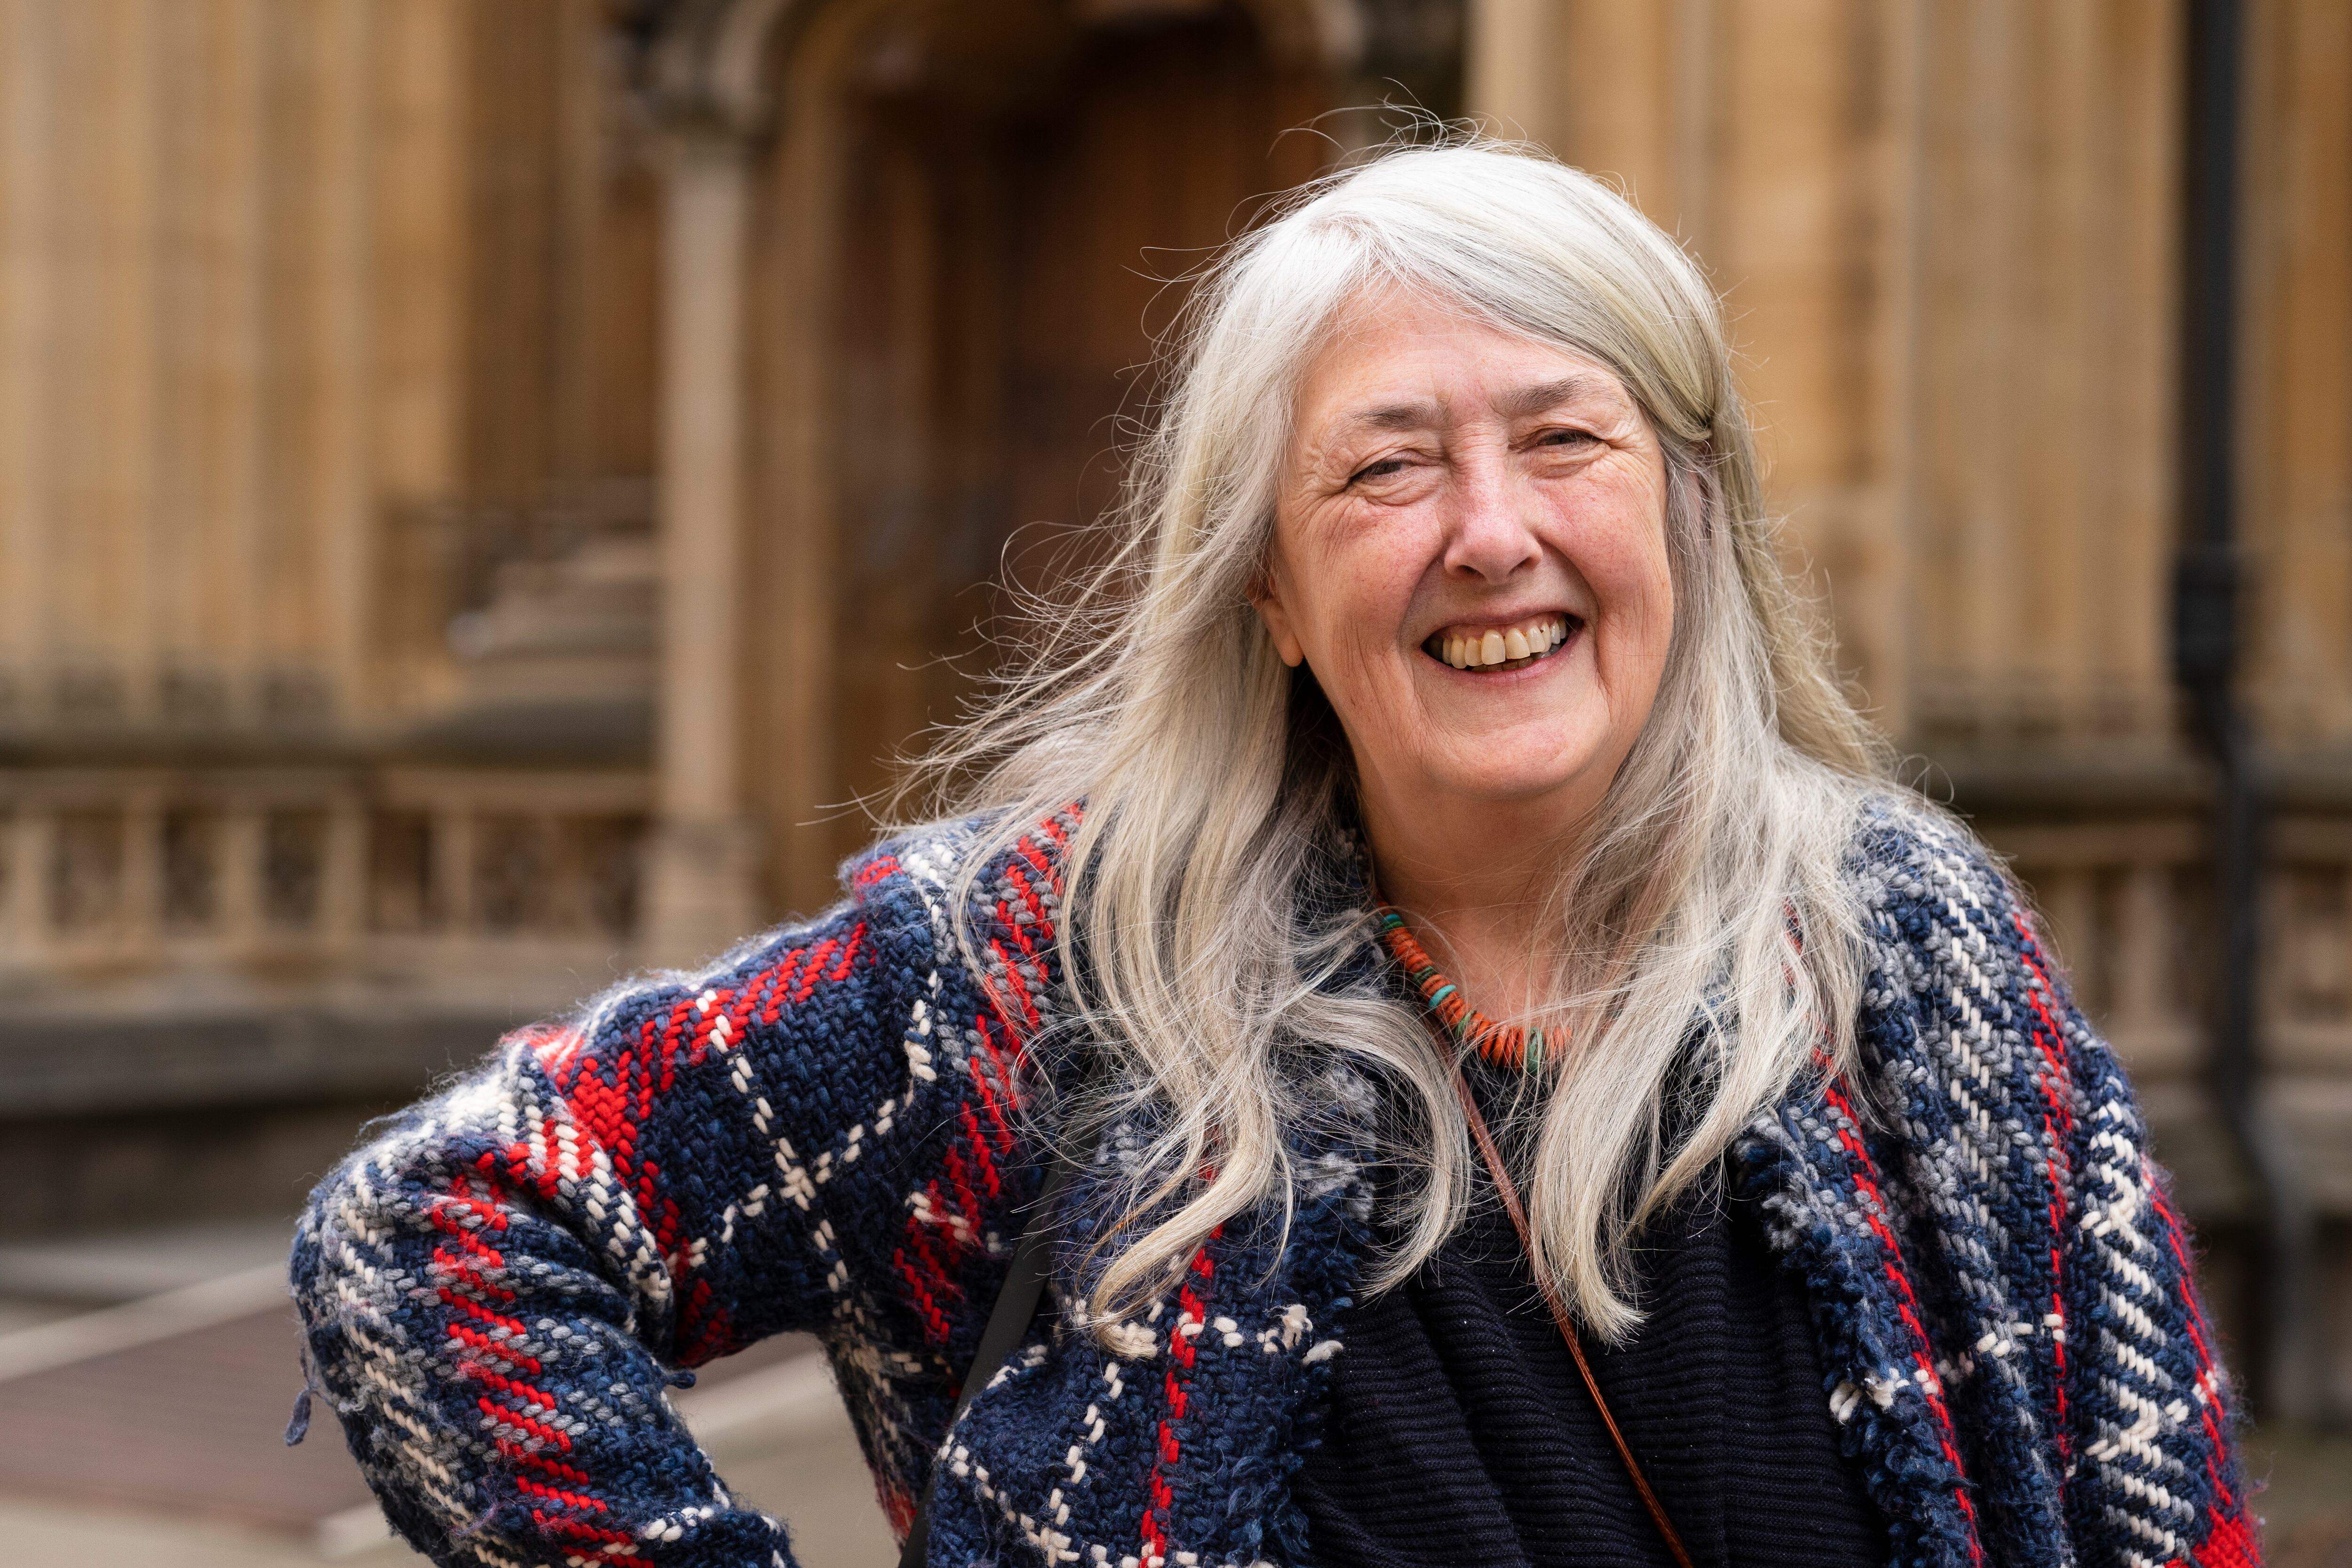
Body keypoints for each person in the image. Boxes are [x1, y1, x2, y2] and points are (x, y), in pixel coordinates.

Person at [289, 141, 2257, 1568]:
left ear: (1687, 516)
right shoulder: (1038, 971)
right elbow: (440, 1224)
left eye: (1560, 439)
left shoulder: (1911, 954)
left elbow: (2161, 1508)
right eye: (1385, 465)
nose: (1487, 531)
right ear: (1274, 597)